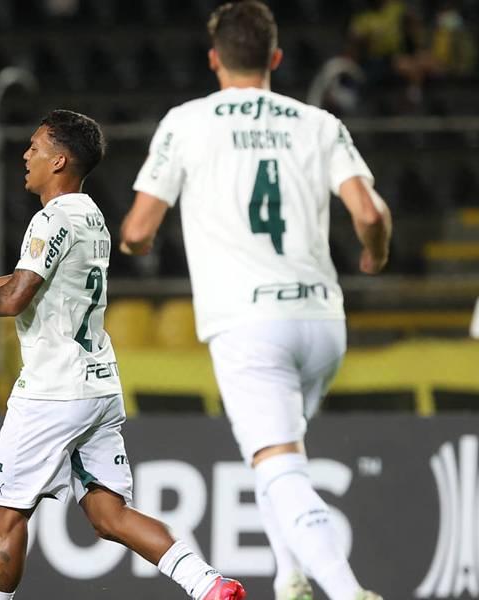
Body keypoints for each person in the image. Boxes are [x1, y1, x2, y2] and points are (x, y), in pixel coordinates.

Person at [0, 109, 246, 600]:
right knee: (108, 514)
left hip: (52, 391)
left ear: (59, 159)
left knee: (6, 516)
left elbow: (14, 298)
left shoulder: (51, 219)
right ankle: (209, 584)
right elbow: (24, 281)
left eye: (36, 147)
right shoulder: (90, 216)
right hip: (97, 385)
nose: (26, 155)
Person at [119, 3, 392, 600]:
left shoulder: (187, 122)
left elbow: (138, 229)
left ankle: (348, 593)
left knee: (278, 465)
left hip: (248, 323)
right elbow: (369, 213)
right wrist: (373, 255)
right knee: (274, 451)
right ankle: (288, 574)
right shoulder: (317, 122)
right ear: (275, 58)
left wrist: (140, 243)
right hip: (322, 322)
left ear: (215, 58)